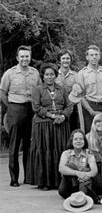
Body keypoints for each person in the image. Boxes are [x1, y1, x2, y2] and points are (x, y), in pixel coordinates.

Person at [26, 63, 73, 190]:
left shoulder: (62, 89)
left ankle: (59, 181)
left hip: (60, 125)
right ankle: (44, 182)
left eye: (52, 74)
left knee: (59, 150)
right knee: (45, 150)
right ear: (43, 76)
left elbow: (69, 106)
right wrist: (51, 116)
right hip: (43, 125)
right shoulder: (37, 89)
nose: (49, 77)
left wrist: (63, 116)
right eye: (47, 74)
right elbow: (36, 107)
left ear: (55, 75)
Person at [0, 45, 41, 186]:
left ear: (30, 57)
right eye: (22, 56)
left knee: (29, 145)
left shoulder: (35, 73)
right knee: (14, 146)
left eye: (27, 56)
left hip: (31, 110)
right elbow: (2, 93)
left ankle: (28, 177)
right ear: (17, 58)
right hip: (15, 109)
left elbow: (39, 91)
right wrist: (11, 107)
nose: (24, 59)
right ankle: (14, 178)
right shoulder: (9, 73)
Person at [75, 45, 102, 133]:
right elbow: (80, 95)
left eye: (96, 55)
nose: (94, 57)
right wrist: (90, 111)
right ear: (87, 57)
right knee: (89, 134)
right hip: (89, 107)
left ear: (99, 56)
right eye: (91, 55)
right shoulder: (82, 73)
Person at [58, 129, 100, 204]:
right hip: (70, 185)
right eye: (76, 139)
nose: (78, 141)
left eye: (81, 139)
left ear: (84, 141)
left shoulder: (89, 153)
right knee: (69, 165)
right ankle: (88, 195)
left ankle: (82, 195)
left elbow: (94, 171)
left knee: (86, 169)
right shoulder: (66, 153)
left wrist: (85, 175)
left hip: (84, 183)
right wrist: (77, 173)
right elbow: (61, 168)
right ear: (71, 141)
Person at [55, 49, 79, 130]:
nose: (65, 60)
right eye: (63, 58)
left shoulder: (76, 76)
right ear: (59, 60)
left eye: (68, 58)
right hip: (57, 108)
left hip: (72, 109)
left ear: (71, 60)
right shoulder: (54, 75)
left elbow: (78, 93)